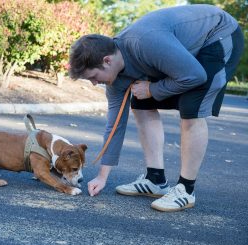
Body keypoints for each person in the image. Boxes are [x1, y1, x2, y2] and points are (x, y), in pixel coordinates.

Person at [69, 4, 244, 212]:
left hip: (218, 34)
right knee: (140, 102)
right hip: (184, 52)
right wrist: (102, 176)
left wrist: (153, 89)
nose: (94, 84)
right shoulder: (115, 78)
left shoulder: (145, 42)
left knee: (191, 107)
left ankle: (186, 190)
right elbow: (114, 124)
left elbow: (196, 76)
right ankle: (155, 180)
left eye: (93, 77)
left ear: (107, 61)